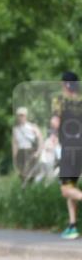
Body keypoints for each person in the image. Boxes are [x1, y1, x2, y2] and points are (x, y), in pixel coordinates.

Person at [53, 71, 82, 240]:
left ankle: (72, 226)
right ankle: (72, 226)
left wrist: (51, 135)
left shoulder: (61, 100)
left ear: (65, 85)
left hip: (70, 147)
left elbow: (55, 122)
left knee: (65, 190)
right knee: (71, 185)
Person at [11, 107, 43, 183]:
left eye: (22, 115)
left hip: (30, 151)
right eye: (19, 115)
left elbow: (40, 140)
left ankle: (32, 190)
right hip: (21, 152)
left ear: (26, 116)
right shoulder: (16, 129)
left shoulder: (32, 127)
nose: (21, 117)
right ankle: (26, 191)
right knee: (22, 175)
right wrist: (14, 157)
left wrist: (38, 152)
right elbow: (15, 144)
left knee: (31, 175)